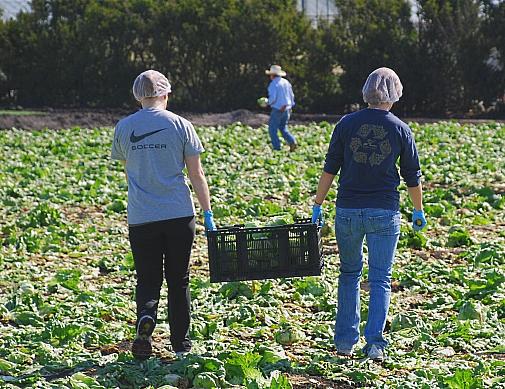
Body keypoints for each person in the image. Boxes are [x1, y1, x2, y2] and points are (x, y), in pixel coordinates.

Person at [311, 67, 427, 361]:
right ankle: (375, 343)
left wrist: (318, 203)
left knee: (349, 274)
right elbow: (412, 175)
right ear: (395, 93)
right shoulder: (401, 128)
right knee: (380, 278)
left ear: (367, 92)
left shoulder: (346, 124)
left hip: (347, 211)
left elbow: (330, 166)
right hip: (384, 212)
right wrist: (417, 209)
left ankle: (344, 342)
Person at [110, 69, 217, 360]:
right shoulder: (181, 125)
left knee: (147, 279)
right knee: (178, 279)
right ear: (165, 94)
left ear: (138, 96)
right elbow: (196, 174)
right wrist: (207, 213)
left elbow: (128, 169)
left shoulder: (123, 127)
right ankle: (180, 343)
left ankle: (146, 317)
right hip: (179, 215)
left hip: (142, 216)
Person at [265, 65, 297, 152]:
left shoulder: (273, 84)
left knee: (272, 129)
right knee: (283, 128)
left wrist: (266, 103)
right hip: (287, 109)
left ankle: (277, 148)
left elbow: (273, 98)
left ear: (272, 75)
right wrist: (290, 106)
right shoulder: (286, 82)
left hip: (278, 109)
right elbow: (291, 95)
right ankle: (292, 141)